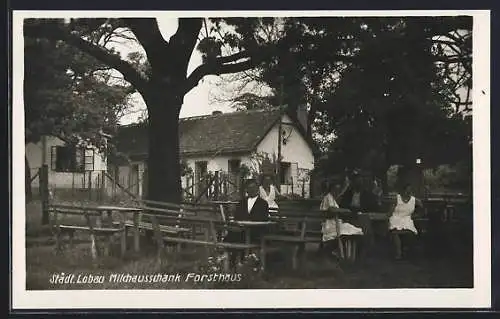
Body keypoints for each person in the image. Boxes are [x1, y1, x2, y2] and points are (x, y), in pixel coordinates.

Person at [224, 179, 270, 267]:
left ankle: (243, 262)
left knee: (237, 236)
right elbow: (237, 216)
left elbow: (262, 218)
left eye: (253, 188)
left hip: (255, 232)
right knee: (232, 235)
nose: (251, 190)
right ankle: (231, 261)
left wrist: (248, 221)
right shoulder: (242, 202)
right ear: (246, 190)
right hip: (241, 230)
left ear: (257, 189)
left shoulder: (263, 203)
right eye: (249, 188)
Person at [319, 183, 363, 256]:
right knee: (347, 229)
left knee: (352, 230)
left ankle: (348, 254)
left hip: (336, 223)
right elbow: (332, 209)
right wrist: (344, 211)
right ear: (332, 189)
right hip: (330, 224)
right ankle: (340, 252)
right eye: (335, 189)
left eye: (338, 190)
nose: (337, 191)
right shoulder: (328, 197)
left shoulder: (333, 198)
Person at [388, 183, 424, 260]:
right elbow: (390, 211)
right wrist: (388, 216)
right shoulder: (397, 198)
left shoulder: (414, 200)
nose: (408, 192)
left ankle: (407, 250)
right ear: (402, 191)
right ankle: (399, 252)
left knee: (410, 232)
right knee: (395, 231)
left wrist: (417, 215)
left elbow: (422, 208)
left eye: (409, 191)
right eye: (406, 190)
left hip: (407, 218)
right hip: (396, 218)